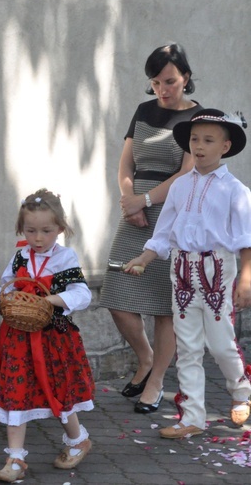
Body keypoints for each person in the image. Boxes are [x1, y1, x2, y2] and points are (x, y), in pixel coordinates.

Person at [124, 108, 251, 439]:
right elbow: (164, 232)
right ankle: (192, 415)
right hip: (181, 270)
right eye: (195, 139)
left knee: (221, 343)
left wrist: (248, 278)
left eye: (209, 140)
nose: (200, 145)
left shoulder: (236, 191)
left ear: (225, 147)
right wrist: (145, 258)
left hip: (217, 269)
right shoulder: (180, 187)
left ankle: (241, 392)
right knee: (188, 345)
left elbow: (246, 241)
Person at [99, 43, 202, 414]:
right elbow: (126, 164)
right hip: (135, 212)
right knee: (115, 292)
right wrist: (130, 201)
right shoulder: (144, 110)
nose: (163, 89)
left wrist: (145, 202)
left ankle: (156, 380)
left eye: (170, 81)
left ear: (186, 78)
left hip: (171, 213)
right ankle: (145, 360)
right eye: (156, 82)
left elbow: (187, 172)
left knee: (163, 306)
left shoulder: (197, 118)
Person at [0, 189, 94, 482]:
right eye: (31, 230)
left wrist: (48, 301)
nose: (38, 238)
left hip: (52, 338)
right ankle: (14, 459)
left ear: (60, 228)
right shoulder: (19, 257)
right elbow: (8, 285)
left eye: (46, 231)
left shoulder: (64, 258)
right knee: (15, 391)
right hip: (19, 337)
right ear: (22, 229)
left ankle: (77, 440)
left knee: (58, 390)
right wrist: (9, 298)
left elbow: (81, 293)